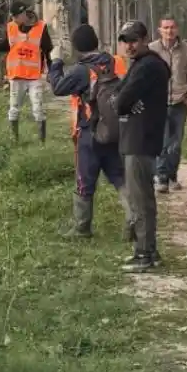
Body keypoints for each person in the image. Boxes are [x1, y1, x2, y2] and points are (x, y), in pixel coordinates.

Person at [47, 24, 128, 239]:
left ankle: (82, 227)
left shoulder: (80, 70)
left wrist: (55, 61)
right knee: (119, 176)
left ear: (76, 47)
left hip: (90, 130)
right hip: (115, 128)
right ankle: (134, 219)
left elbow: (57, 88)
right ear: (96, 40)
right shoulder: (115, 61)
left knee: (85, 178)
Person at [110, 20, 170, 273]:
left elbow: (120, 101)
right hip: (136, 138)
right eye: (125, 40)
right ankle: (148, 250)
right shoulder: (140, 64)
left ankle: (145, 252)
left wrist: (122, 102)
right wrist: (121, 100)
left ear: (145, 39)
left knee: (142, 200)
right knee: (140, 198)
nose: (129, 45)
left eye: (133, 40)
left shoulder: (149, 66)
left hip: (141, 140)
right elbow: (118, 94)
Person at [0, 2, 53, 143]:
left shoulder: (41, 27)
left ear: (24, 14)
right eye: (13, 17)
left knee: (38, 109)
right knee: (14, 109)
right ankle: (14, 140)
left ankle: (42, 143)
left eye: (16, 16)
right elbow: (7, 44)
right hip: (16, 76)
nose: (13, 19)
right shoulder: (11, 27)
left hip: (34, 77)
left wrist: (51, 70)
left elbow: (47, 50)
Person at [149, 16, 187, 192]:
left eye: (172, 27)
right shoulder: (152, 49)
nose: (169, 31)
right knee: (161, 141)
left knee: (175, 143)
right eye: (165, 28)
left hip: (180, 101)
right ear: (159, 30)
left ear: (177, 29)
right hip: (158, 102)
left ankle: (172, 175)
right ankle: (161, 177)